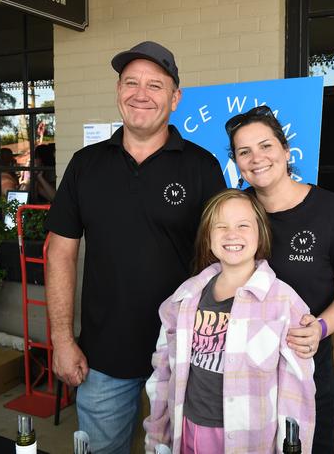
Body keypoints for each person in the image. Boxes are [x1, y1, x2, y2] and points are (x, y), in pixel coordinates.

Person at [45, 41, 226, 453]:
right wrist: (62, 339)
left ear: (175, 98)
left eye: (155, 85)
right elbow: (60, 252)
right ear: (118, 91)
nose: (140, 94)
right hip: (105, 356)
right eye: (131, 83)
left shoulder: (202, 167)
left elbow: (226, 260)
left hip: (188, 355)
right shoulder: (85, 164)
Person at [225, 106, 334, 453]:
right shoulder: (234, 211)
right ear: (236, 161)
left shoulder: (331, 210)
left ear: (286, 151)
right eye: (244, 151)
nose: (256, 158)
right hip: (243, 374)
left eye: (266, 146)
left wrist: (320, 328)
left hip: (306, 368)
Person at [144, 189, 316, 453]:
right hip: (188, 429)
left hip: (249, 440)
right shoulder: (184, 297)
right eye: (220, 226)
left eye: (243, 225)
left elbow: (297, 394)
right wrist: (157, 435)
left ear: (261, 234)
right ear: (208, 237)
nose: (231, 234)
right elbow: (163, 371)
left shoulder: (284, 302)